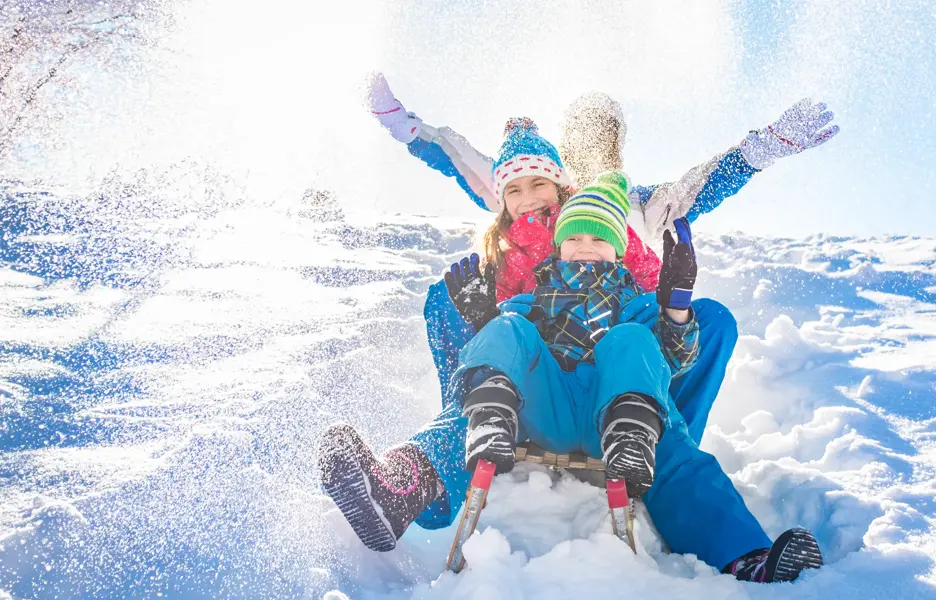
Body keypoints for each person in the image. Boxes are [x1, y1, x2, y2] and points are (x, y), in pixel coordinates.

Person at [318, 172, 824, 583]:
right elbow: (514, 347)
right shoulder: (531, 300)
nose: (585, 247)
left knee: (649, 384)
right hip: (551, 411)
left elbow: (678, 359)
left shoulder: (640, 305)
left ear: (618, 251)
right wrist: (485, 325)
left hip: (628, 422)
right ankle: (401, 487)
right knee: (509, 327)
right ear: (558, 248)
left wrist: (674, 312)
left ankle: (747, 557)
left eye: (599, 239)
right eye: (574, 238)